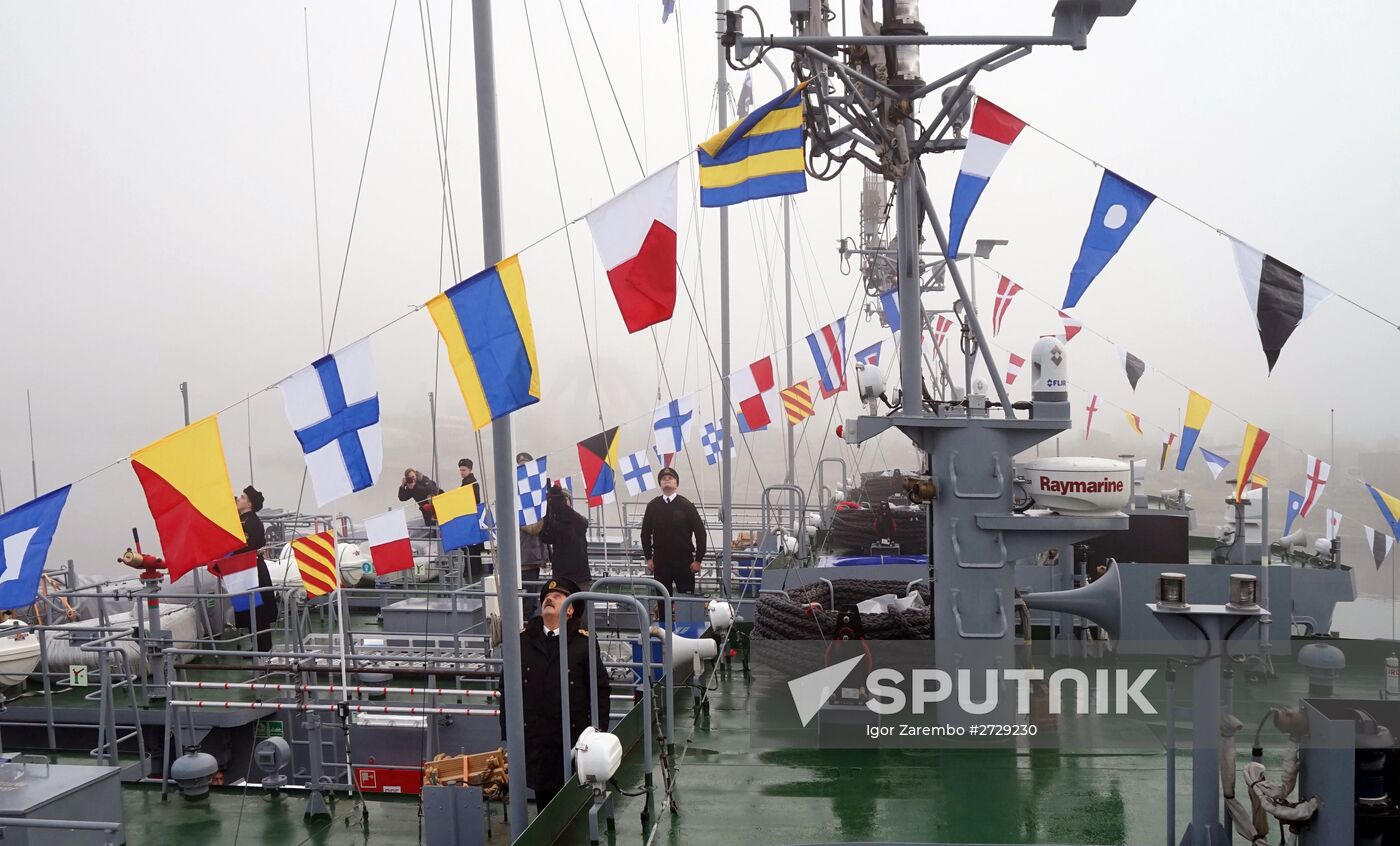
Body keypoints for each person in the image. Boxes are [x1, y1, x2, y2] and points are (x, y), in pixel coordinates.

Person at [499, 577, 610, 810]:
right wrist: (508, 734)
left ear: (570, 609)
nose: (549, 598)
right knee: (544, 805)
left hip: (572, 739)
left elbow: (599, 690)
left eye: (558, 596)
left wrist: (598, 735)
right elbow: (506, 688)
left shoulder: (583, 643)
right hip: (537, 740)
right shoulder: (522, 641)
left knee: (574, 803)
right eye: (547, 597)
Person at [640, 467, 706, 597]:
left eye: (670, 478)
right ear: (660, 484)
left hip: (683, 560)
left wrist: (698, 560)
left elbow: (700, 533)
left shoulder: (687, 506)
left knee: (687, 599)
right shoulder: (653, 506)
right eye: (663, 479)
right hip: (661, 560)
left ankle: (685, 618)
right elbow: (645, 534)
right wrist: (648, 558)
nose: (667, 480)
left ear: (677, 484)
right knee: (662, 598)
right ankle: (664, 618)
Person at [233, 485, 279, 652]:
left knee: (258, 610)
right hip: (246, 569)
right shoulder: (242, 519)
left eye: (243, 497)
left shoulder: (252, 522)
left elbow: (249, 545)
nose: (239, 499)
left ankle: (264, 648)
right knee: (250, 608)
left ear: (250, 504)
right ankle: (257, 646)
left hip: (253, 570)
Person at [539, 484, 592, 594]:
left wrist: (564, 509)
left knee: (580, 608)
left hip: (580, 576)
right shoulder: (556, 522)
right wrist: (548, 513)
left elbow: (584, 524)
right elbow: (545, 536)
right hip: (562, 575)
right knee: (562, 608)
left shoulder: (576, 520)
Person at [517, 452, 549, 618]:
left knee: (530, 602)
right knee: (524, 604)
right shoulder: (515, 499)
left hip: (533, 559)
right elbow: (533, 529)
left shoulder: (535, 496)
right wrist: (543, 514)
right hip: (522, 561)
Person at [458, 458, 486, 581]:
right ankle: (474, 571)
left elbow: (474, 501)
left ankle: (471, 573)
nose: (461, 472)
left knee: (471, 550)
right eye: (460, 470)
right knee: (472, 550)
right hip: (471, 519)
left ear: (469, 470)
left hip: (470, 519)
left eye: (464, 470)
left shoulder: (471, 484)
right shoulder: (467, 483)